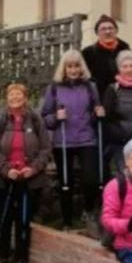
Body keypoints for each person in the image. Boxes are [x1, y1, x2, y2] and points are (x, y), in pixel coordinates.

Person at [0, 83, 51, 263]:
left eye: (19, 95)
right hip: (4, 178)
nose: (15, 98)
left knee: (24, 220)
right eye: (12, 95)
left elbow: (45, 149)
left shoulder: (35, 119)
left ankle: (22, 258)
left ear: (25, 97)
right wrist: (6, 170)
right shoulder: (0, 120)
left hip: (29, 179)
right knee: (5, 218)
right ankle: (3, 256)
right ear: (7, 98)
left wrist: (33, 169)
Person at [39, 49, 105, 228]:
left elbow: (95, 111)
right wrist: (56, 117)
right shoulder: (54, 87)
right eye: (69, 66)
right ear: (64, 68)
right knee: (65, 182)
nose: (73, 70)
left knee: (91, 179)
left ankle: (88, 212)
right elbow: (45, 117)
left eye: (76, 66)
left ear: (81, 67)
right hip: (63, 141)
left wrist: (98, 113)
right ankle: (67, 220)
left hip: (86, 139)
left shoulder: (90, 87)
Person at [81, 14, 131, 99]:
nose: (107, 31)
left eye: (110, 28)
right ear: (97, 33)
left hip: (123, 97)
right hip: (98, 99)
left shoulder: (125, 50)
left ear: (116, 31)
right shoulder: (88, 53)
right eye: (103, 29)